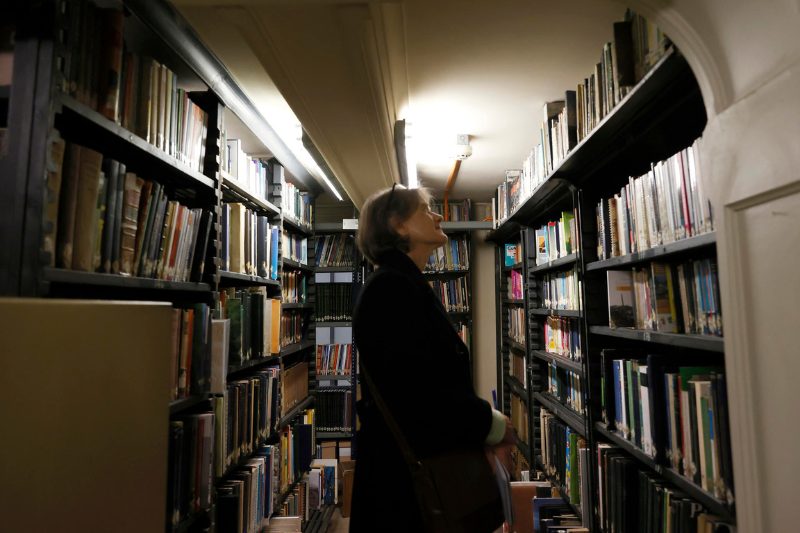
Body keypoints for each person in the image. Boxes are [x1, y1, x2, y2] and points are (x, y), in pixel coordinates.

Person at [350, 183, 516, 533]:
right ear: (399, 225)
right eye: (426, 210)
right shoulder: (391, 290)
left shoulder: (404, 285)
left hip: (412, 480)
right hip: (406, 492)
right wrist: (492, 425)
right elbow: (422, 396)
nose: (439, 215)